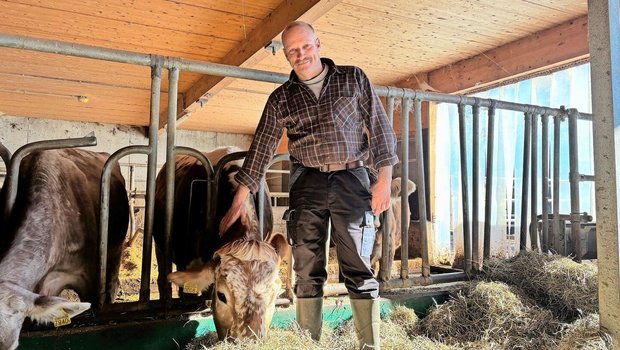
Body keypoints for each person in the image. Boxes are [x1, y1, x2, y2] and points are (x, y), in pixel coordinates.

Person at [219, 21, 398, 349]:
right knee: (306, 269)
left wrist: (384, 179)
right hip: (307, 181)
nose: (300, 55)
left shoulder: (352, 78)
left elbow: (381, 128)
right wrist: (238, 201)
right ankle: (308, 344)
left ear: (318, 44)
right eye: (292, 51)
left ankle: (368, 345)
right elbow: (261, 149)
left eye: (305, 47)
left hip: (352, 178)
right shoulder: (281, 99)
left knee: (358, 266)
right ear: (285, 55)